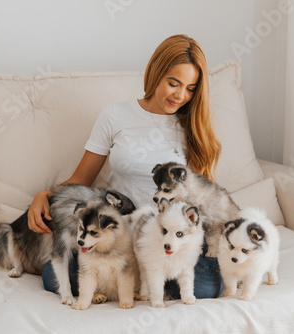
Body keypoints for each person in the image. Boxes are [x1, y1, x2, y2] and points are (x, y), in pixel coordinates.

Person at [29, 34, 223, 298]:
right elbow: (81, 178)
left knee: (208, 287)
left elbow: (204, 200)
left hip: (170, 239)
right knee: (54, 277)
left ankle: (136, 283)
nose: (180, 95)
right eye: (174, 83)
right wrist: (45, 195)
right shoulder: (116, 115)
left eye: (190, 88)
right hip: (122, 233)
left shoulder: (194, 128)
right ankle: (137, 283)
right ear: (155, 73)